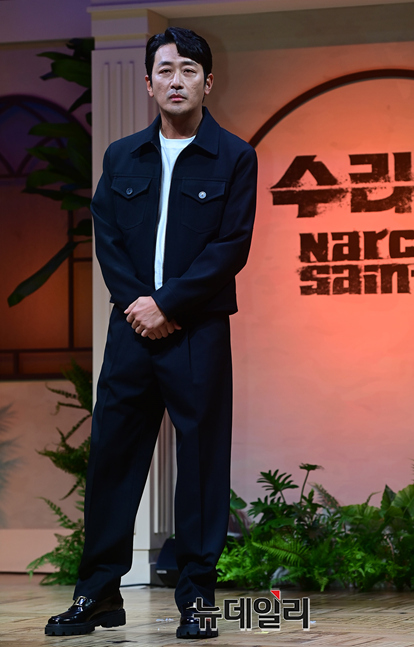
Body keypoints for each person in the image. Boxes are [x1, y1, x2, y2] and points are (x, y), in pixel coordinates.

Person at [45, 27, 257, 640]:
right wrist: (139, 306)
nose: (176, 81)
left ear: (207, 82)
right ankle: (97, 594)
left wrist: (168, 304)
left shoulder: (234, 156)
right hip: (132, 332)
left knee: (201, 465)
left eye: (188, 70)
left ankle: (196, 599)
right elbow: (107, 237)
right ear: (148, 83)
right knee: (112, 459)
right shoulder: (121, 157)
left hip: (197, 332)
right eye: (165, 70)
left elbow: (230, 247)